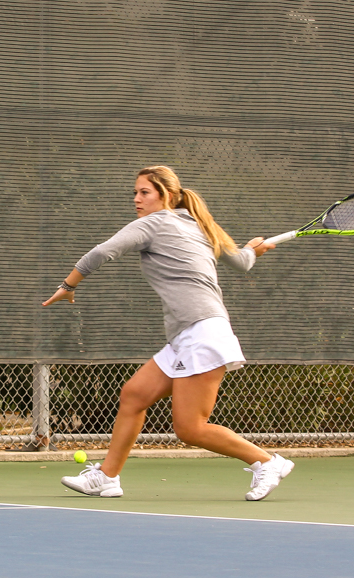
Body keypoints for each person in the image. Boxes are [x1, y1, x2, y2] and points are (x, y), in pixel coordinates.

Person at [42, 165, 294, 501]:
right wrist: (253, 250)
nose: (137, 199)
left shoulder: (154, 223)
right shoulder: (202, 225)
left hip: (202, 331)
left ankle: (267, 462)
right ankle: (106, 477)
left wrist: (68, 286)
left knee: (190, 428)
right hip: (188, 333)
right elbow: (242, 262)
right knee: (134, 395)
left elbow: (103, 252)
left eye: (145, 192)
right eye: (135, 192)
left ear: (168, 196)